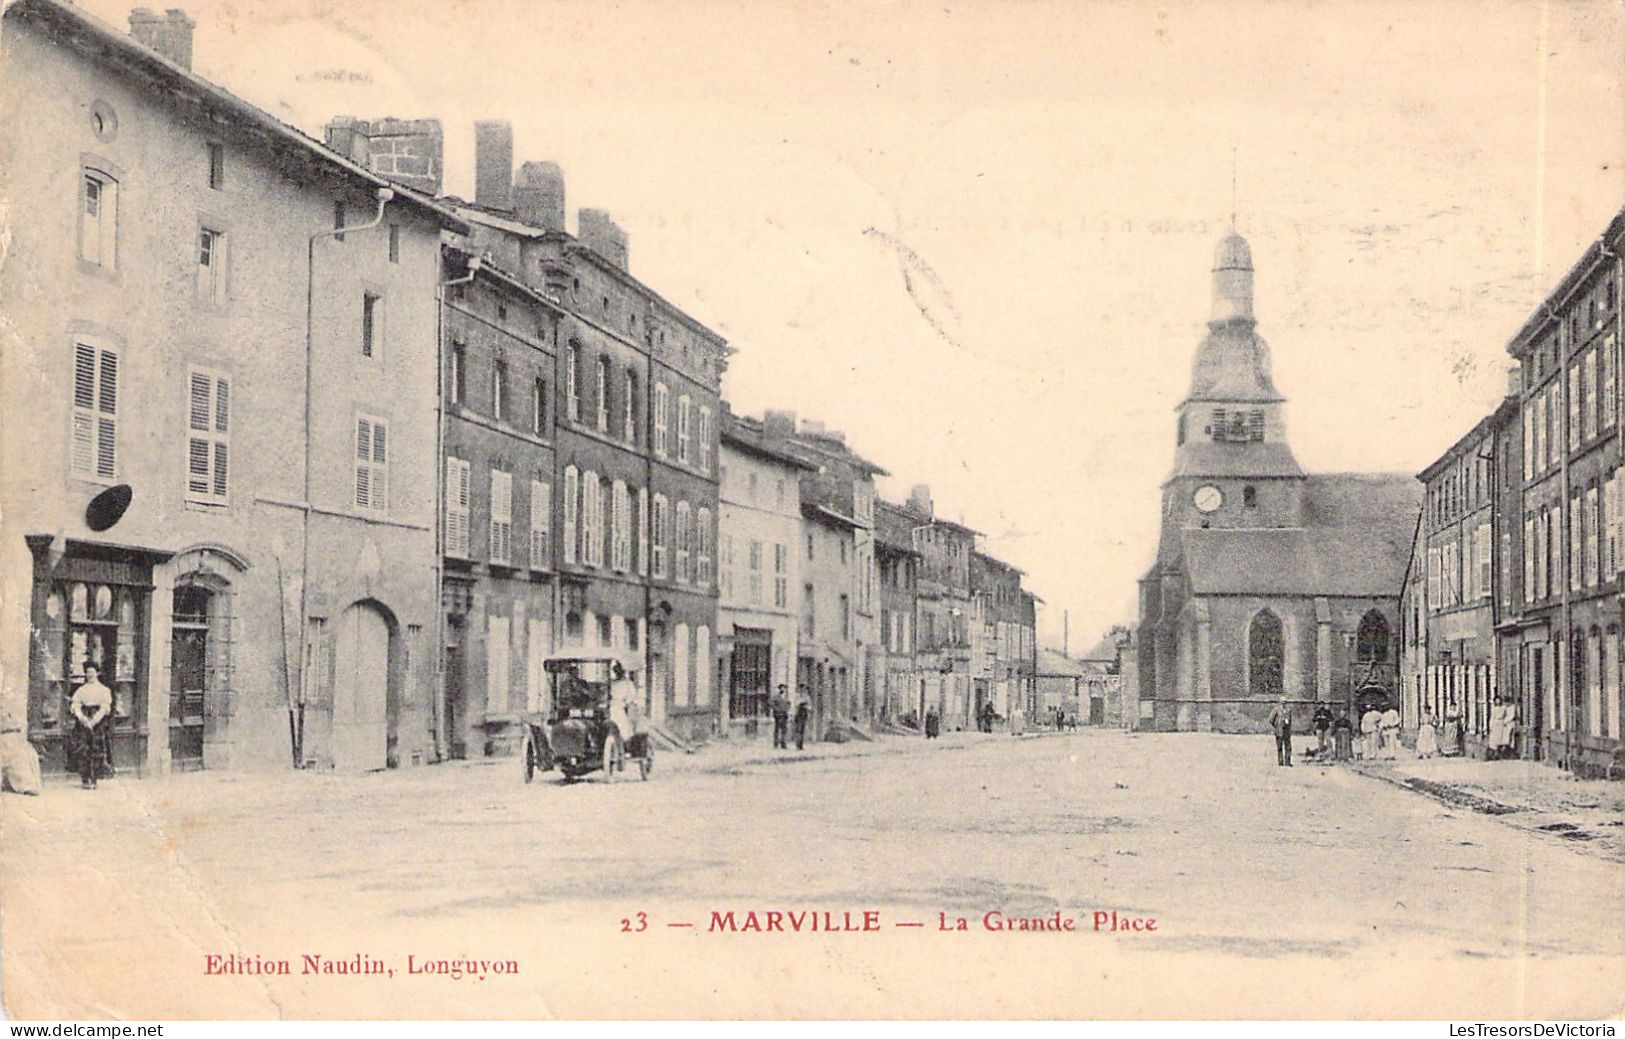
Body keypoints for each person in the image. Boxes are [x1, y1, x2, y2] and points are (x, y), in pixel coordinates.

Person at [69, 661, 113, 789]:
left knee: (96, 749)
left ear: (97, 673)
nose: (90, 675)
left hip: (97, 722)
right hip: (83, 721)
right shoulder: (81, 690)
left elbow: (105, 707)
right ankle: (85, 778)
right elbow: (75, 704)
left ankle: (94, 778)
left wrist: (94, 721)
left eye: (92, 672)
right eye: (88, 672)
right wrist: (82, 718)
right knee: (83, 750)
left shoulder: (104, 690)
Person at [1267, 696, 1293, 767]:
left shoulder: (1288, 710)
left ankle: (1287, 762)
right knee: (1279, 747)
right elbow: (1270, 719)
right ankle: (1280, 762)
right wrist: (1276, 726)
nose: (1284, 704)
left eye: (1285, 702)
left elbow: (1290, 720)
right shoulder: (1276, 710)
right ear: (1280, 702)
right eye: (1283, 702)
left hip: (1287, 731)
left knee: (1288, 747)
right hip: (1279, 731)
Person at [770, 685, 790, 749]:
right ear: (779, 689)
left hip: (784, 714)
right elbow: (771, 704)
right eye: (782, 688)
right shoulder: (776, 697)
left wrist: (787, 709)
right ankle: (776, 743)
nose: (783, 690)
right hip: (778, 715)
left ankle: (783, 744)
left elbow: (789, 704)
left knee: (784, 729)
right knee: (777, 729)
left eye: (784, 688)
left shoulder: (786, 697)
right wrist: (777, 710)